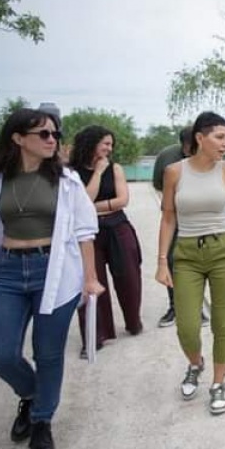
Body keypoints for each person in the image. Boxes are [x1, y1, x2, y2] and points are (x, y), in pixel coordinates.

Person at [0, 107, 103, 449]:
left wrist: (90, 279)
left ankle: (42, 421)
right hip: (9, 273)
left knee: (49, 353)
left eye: (55, 134)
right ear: (17, 138)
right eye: (43, 134)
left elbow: (85, 231)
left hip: (54, 271)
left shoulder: (67, 180)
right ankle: (30, 393)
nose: (52, 140)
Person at [155, 111, 225, 415]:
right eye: (219, 136)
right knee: (187, 327)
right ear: (200, 138)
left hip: (223, 252)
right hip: (186, 254)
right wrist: (162, 261)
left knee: (221, 323)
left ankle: (218, 384)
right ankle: (195, 363)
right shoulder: (174, 172)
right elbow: (167, 218)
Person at [69, 126, 144, 357]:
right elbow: (82, 200)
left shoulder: (116, 168)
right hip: (87, 235)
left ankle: (133, 321)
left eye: (111, 144)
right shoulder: (71, 172)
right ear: (91, 143)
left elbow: (122, 200)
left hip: (118, 228)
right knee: (92, 283)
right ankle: (96, 335)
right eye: (105, 144)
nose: (109, 149)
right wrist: (99, 173)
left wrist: (89, 209)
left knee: (129, 278)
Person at [152, 126, 194, 327]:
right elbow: (157, 183)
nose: (189, 151)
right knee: (171, 258)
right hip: (174, 213)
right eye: (186, 147)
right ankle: (174, 307)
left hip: (196, 217)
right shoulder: (167, 157)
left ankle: (195, 308)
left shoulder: (207, 155)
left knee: (197, 260)